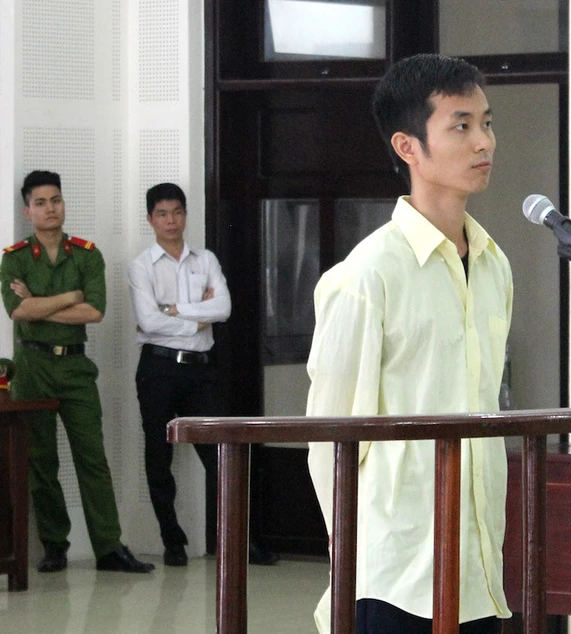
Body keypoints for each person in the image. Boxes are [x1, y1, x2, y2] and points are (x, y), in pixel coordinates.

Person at [306, 53, 512, 634]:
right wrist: (349, 554)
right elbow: (328, 438)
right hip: (393, 568)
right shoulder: (367, 274)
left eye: (486, 123)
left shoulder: (494, 264)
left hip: (478, 565)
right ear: (407, 147)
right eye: (461, 126)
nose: (483, 142)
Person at [1, 170, 154, 573]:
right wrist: (70, 295)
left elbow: (94, 311)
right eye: (40, 203)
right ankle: (54, 546)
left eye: (56, 200)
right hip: (32, 367)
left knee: (92, 458)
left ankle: (109, 548)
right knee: (40, 461)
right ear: (27, 211)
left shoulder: (86, 254)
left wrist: (40, 303)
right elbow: (19, 311)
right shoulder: (14, 258)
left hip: (75, 366)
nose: (50, 208)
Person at [127, 182, 278, 567]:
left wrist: (174, 310)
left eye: (177, 212)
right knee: (158, 456)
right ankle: (173, 542)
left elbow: (223, 309)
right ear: (150, 219)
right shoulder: (141, 266)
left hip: (200, 370)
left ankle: (241, 541)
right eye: (162, 214)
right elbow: (147, 321)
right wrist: (196, 318)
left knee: (219, 454)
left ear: (185, 214)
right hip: (158, 368)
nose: (171, 221)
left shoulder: (205, 259)